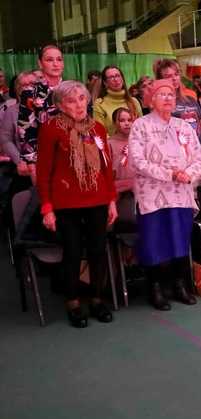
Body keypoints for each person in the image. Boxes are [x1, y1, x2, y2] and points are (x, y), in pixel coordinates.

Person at [36, 81, 118, 328]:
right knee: (72, 253)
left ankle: (96, 298)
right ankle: (72, 301)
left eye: (82, 99)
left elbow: (106, 168)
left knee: (97, 250)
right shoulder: (51, 129)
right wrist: (47, 207)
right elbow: (43, 172)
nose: (79, 104)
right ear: (60, 105)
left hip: (97, 199)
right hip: (66, 202)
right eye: (72, 101)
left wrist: (111, 200)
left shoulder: (98, 129)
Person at [128, 79, 201, 310]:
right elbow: (137, 160)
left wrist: (188, 174)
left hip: (180, 193)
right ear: (151, 100)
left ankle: (180, 285)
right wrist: (169, 174)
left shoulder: (183, 126)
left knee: (179, 239)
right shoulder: (141, 125)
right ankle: (156, 288)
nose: (168, 98)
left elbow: (198, 157)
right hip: (152, 194)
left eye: (171, 94)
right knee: (154, 241)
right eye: (162, 94)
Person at [17, 44, 64, 170]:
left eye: (59, 59)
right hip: (44, 157)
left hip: (74, 154)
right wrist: (29, 162)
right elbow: (25, 129)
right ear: (40, 63)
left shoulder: (74, 89)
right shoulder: (30, 92)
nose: (55, 64)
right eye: (50, 60)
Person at [154, 59, 201, 156]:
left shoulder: (191, 99)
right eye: (168, 76)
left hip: (200, 151)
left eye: (176, 74)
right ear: (161, 80)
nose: (174, 78)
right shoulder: (160, 104)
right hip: (178, 154)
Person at [93, 65, 143, 136]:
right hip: (111, 144)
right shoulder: (100, 103)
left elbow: (142, 128)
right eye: (111, 77)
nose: (116, 79)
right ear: (105, 82)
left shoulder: (134, 101)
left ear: (122, 78)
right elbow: (100, 133)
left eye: (118, 76)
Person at [108, 108, 135, 194]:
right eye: (122, 120)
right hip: (119, 191)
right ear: (114, 123)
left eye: (129, 120)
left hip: (138, 189)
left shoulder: (139, 141)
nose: (127, 123)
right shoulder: (109, 143)